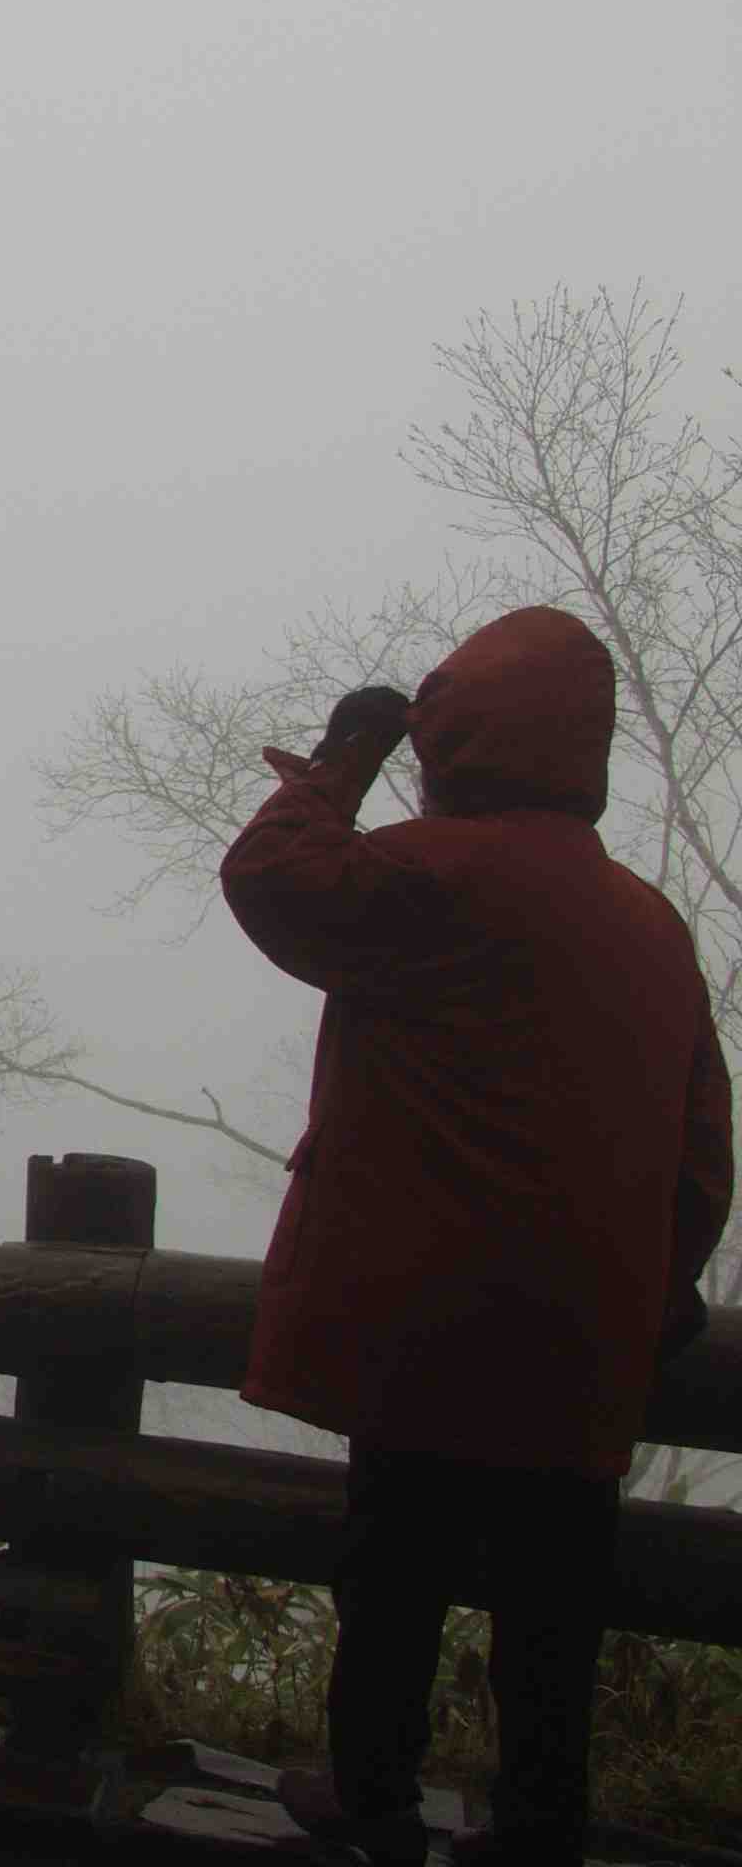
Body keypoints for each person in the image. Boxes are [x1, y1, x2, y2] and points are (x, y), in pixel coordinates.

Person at [218, 607, 731, 1866]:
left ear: (453, 739)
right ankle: (538, 1828)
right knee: (556, 1602)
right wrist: (655, 1295)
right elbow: (702, 1152)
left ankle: (375, 1809)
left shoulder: (425, 876)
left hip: (422, 1317)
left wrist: (344, 755)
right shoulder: (650, 924)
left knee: (393, 1573)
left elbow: (268, 876)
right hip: (580, 1335)